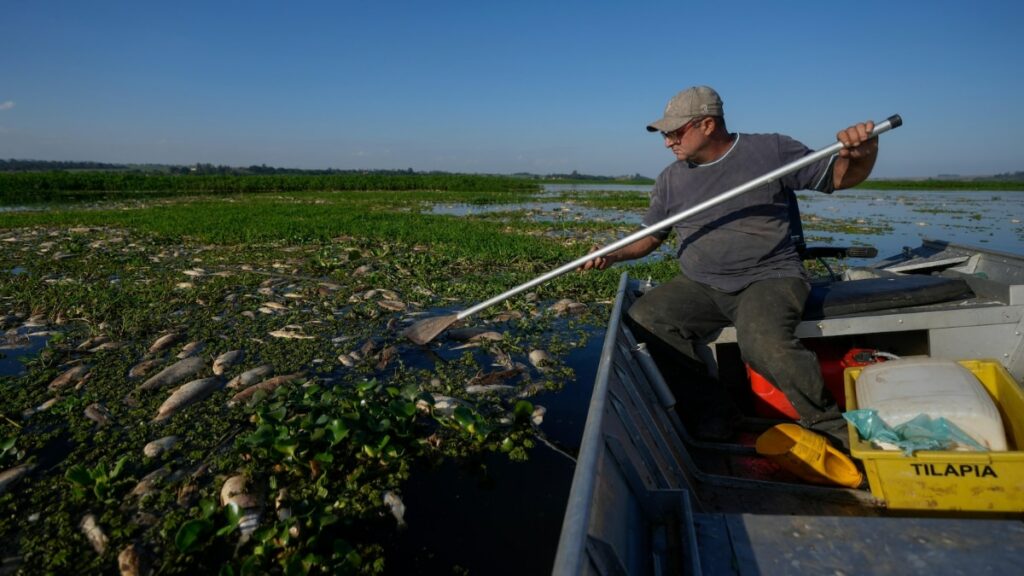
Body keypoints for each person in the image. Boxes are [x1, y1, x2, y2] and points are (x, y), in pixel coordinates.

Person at [581, 85, 879, 448]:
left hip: (769, 277)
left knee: (762, 343)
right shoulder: (671, 179)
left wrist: (862, 154)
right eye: (664, 134)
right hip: (701, 284)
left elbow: (839, 176)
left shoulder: (771, 150)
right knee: (647, 317)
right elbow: (650, 237)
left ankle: (830, 426)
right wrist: (613, 254)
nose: (667, 143)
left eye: (674, 132)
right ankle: (715, 411)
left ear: (707, 125)